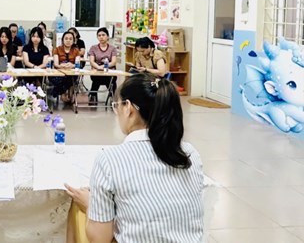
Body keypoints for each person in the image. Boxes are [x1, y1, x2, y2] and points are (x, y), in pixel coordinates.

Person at [65, 73, 203, 243]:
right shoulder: (190, 153)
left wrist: (90, 205)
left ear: (128, 108)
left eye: (117, 106)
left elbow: (100, 239)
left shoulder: (110, 160)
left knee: (80, 214)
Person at [87, 27, 118, 104]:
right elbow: (92, 61)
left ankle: (113, 97)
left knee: (111, 80)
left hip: (109, 71)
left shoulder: (112, 48)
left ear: (107, 36)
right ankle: (93, 95)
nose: (101, 37)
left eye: (103, 35)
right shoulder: (93, 48)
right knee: (97, 78)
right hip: (97, 71)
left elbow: (113, 62)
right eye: (99, 35)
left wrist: (105, 67)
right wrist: (98, 67)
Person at [51, 31, 81, 102]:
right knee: (57, 78)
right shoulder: (57, 49)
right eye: (66, 38)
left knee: (71, 77)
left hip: (71, 73)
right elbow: (56, 64)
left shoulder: (76, 50)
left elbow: (77, 64)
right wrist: (61, 66)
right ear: (62, 40)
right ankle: (64, 92)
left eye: (70, 39)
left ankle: (60, 91)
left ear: (73, 41)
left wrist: (72, 65)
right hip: (59, 73)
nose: (68, 40)